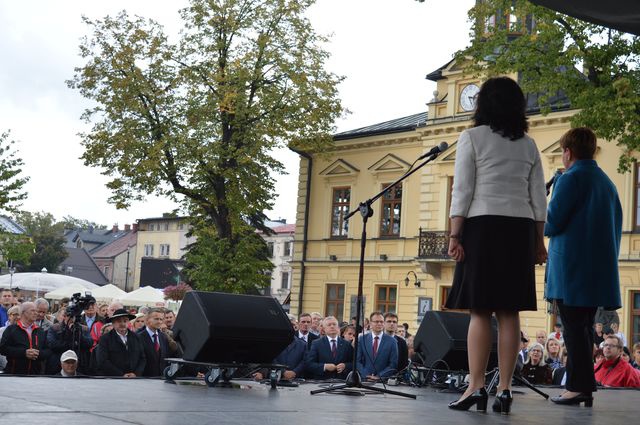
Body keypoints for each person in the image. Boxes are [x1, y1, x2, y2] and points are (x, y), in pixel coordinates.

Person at [445, 77, 547, 414]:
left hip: (482, 227)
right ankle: (504, 389)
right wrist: (538, 240)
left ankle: (475, 387)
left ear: (484, 104)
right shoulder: (528, 144)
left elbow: (462, 190)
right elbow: (538, 198)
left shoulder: (471, 138)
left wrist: (454, 235)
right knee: (509, 312)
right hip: (518, 229)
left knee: (479, 310)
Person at [545, 127, 622, 406]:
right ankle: (585, 386)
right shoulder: (606, 182)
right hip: (595, 271)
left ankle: (576, 387)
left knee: (574, 329)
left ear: (568, 152)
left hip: (571, 270)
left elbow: (552, 222)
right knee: (585, 328)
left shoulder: (570, 179)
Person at [0, 302, 50, 375]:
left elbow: (48, 351)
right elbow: (3, 349)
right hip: (14, 375)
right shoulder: (11, 330)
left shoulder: (40, 331)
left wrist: (38, 354)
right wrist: (24, 353)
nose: (36, 313)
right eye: (33, 310)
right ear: (23, 312)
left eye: (36, 311)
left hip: (35, 375)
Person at [95, 308, 146, 377]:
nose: (122, 324)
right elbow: (103, 361)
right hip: (114, 378)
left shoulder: (136, 337)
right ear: (113, 323)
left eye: (125, 321)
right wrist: (121, 375)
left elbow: (142, 358)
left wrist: (136, 373)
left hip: (133, 379)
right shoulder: (105, 339)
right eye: (119, 321)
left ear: (129, 322)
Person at [46, 308, 93, 374]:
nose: (72, 319)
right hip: (58, 364)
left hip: (79, 364)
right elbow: (52, 344)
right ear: (64, 316)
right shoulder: (55, 328)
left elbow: (89, 344)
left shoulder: (84, 329)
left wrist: (78, 335)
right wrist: (69, 338)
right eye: (70, 316)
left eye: (74, 316)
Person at [356, 311, 398, 381]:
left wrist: (379, 376)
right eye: (376, 321)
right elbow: (357, 361)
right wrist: (366, 375)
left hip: (382, 382)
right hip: (364, 380)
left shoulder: (392, 341)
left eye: (381, 322)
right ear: (370, 323)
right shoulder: (362, 339)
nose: (379, 324)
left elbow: (393, 364)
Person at [136, 308, 176, 377]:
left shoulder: (163, 337)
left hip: (161, 379)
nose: (159, 322)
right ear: (147, 320)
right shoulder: (138, 337)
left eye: (161, 319)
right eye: (156, 319)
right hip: (144, 380)